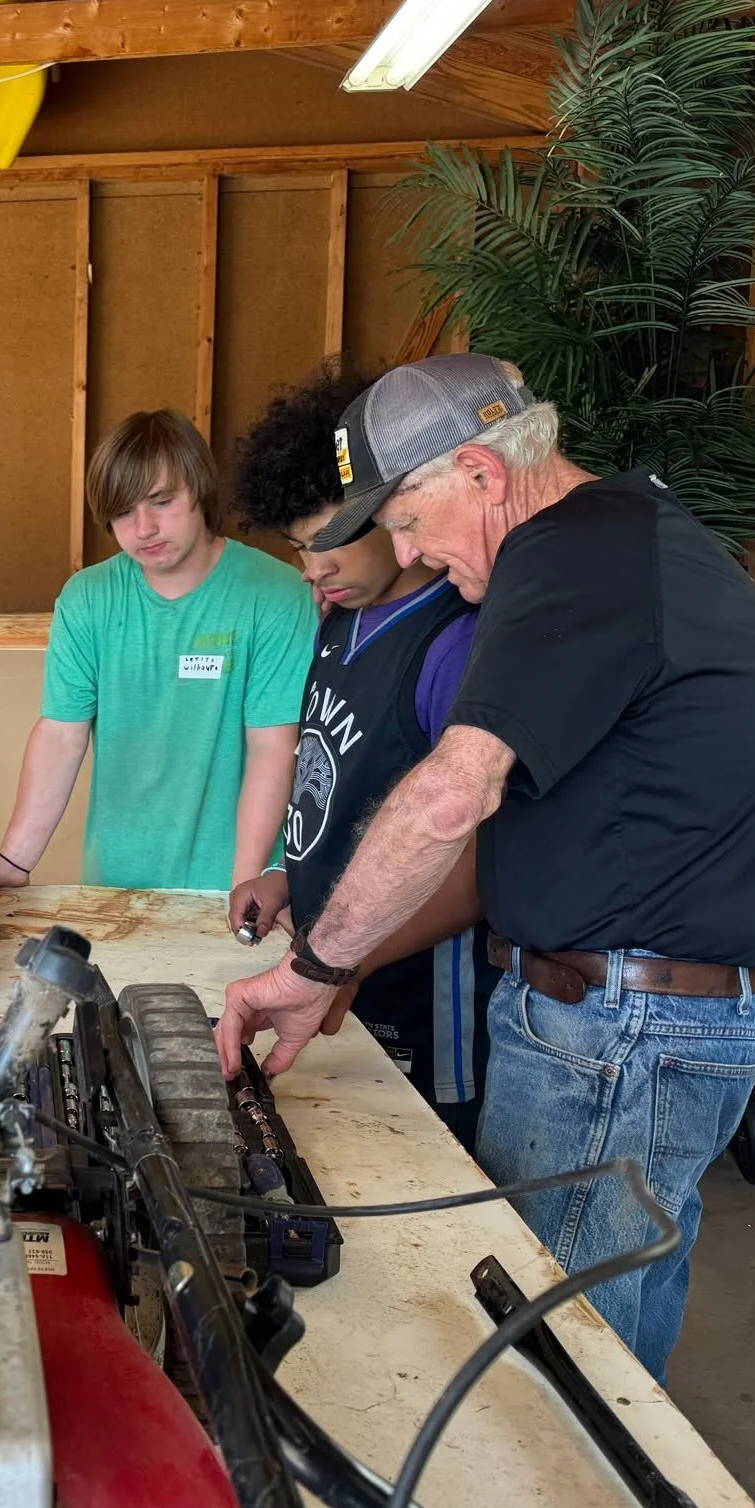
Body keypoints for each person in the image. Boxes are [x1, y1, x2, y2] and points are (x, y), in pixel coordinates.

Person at [215, 354, 755, 1378]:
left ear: (481, 474)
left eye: (404, 517)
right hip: (641, 1015)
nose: (402, 549)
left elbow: (453, 793)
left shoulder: (570, 558)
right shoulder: (622, 545)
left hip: (617, 1028)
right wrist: (342, 960)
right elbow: (521, 827)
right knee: (612, 1356)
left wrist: (310, 968)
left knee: (550, 1373)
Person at [227, 364, 497, 1150]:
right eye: (299, 550)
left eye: (332, 544)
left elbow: (478, 863)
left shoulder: (454, 643)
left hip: (422, 999)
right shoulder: (340, 618)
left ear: (396, 512)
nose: (315, 570)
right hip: (332, 977)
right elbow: (342, 790)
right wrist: (289, 877)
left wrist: (337, 958)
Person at [0, 407, 315, 893]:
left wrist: (246, 885)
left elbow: (273, 749)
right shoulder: (88, 598)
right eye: (124, 511)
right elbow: (61, 735)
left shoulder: (276, 595)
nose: (144, 527)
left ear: (199, 489)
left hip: (238, 880)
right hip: (116, 885)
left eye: (161, 501)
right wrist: (13, 861)